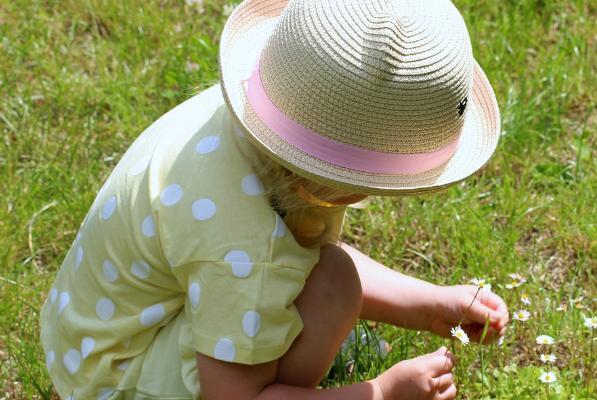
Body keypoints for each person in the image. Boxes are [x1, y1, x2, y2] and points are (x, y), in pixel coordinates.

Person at [39, 0, 509, 399]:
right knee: (333, 288)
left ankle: (266, 341)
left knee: (329, 280)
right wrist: (381, 392)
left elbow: (294, 255)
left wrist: (431, 305)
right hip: (117, 380)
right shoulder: (245, 247)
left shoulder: (253, 124)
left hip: (88, 340)